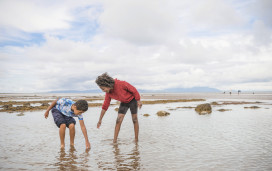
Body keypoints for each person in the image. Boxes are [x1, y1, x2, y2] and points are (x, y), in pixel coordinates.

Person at [95, 73, 142, 143]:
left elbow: (134, 90)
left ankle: (136, 140)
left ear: (107, 84)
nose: (103, 91)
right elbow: (105, 106)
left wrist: (138, 100)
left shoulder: (121, 84)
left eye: (103, 88)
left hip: (132, 100)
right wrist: (100, 120)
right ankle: (114, 141)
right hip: (124, 102)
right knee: (118, 120)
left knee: (134, 119)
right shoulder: (108, 93)